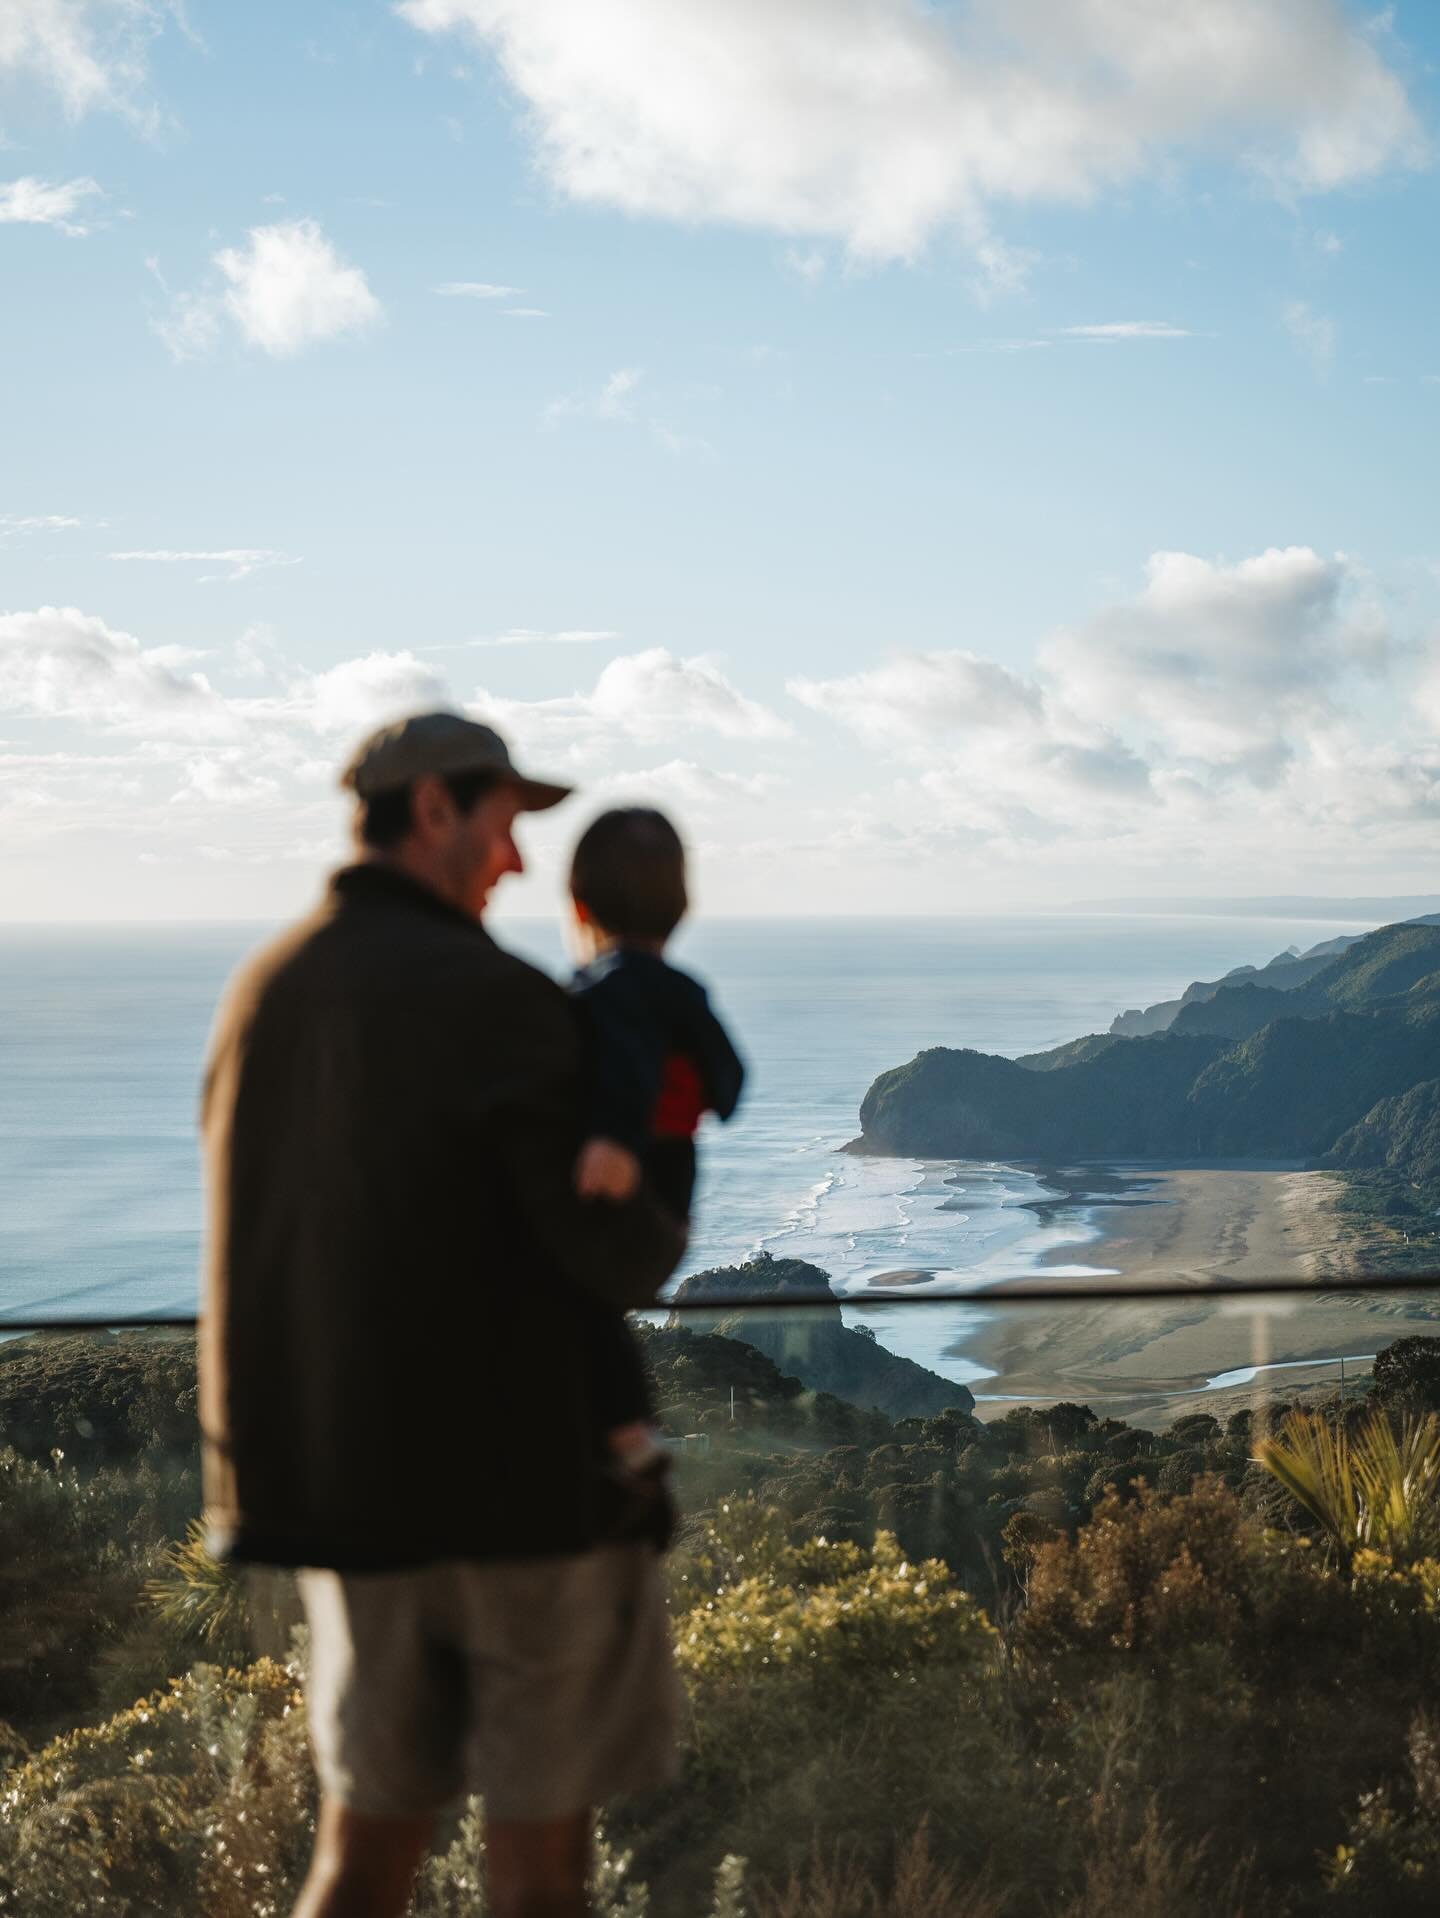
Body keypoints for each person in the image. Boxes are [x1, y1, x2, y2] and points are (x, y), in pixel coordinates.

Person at [197, 712, 687, 1918]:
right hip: (522, 1500)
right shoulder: (499, 1001)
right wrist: (664, 1139)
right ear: (434, 810)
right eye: (507, 824)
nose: (517, 861)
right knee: (538, 1877)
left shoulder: (265, 991)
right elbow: (620, 1255)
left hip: (344, 1504)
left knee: (362, 1857)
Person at [566, 807, 745, 1478]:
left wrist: (614, 1133)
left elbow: (622, 1062)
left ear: (580, 906)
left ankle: (626, 1436)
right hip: (674, 1208)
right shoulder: (686, 994)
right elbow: (729, 1087)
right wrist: (686, 1091)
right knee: (600, 1306)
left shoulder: (597, 992)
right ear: (682, 907)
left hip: (620, 1194)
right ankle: (626, 1436)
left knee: (585, 1305)